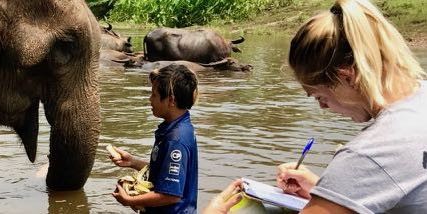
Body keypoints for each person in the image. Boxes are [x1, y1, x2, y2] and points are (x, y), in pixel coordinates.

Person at [205, 0, 427, 213]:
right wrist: (328, 192)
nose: (323, 108)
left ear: (346, 77)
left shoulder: (367, 155)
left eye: (320, 97)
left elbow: (375, 168)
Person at [111, 64, 199, 213]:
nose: (150, 100)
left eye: (154, 95)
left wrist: (129, 200)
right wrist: (133, 162)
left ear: (171, 100)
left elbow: (170, 195)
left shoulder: (176, 139)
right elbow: (165, 172)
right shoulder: (175, 128)